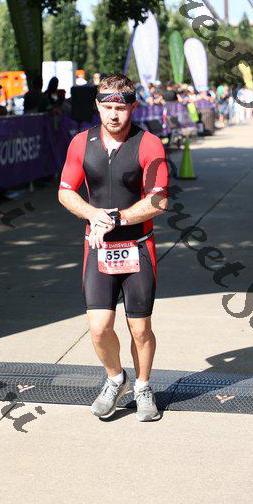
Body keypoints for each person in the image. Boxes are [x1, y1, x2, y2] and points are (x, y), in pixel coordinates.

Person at [58, 73, 169, 421]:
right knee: (98, 328)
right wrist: (93, 215)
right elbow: (65, 191)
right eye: (107, 108)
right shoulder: (81, 143)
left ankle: (143, 386)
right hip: (98, 249)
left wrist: (117, 219)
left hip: (137, 248)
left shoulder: (149, 144)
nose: (113, 115)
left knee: (140, 328)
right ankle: (115, 379)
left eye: (120, 108)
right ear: (97, 106)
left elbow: (159, 200)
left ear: (133, 107)